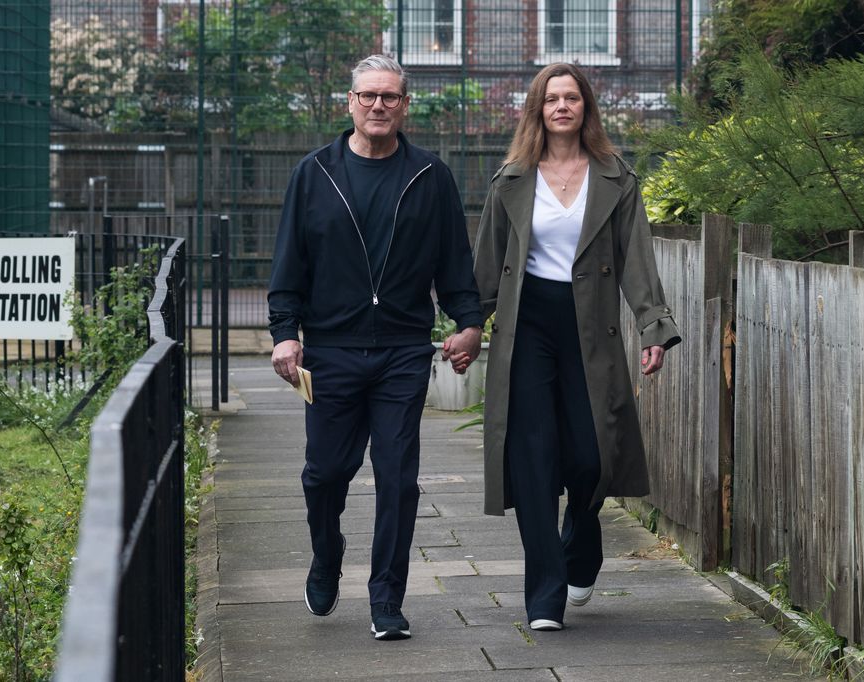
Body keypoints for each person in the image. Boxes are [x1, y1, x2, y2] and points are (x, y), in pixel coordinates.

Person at [268, 54, 483, 641]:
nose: (379, 106)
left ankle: (387, 597)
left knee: (397, 478)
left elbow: (455, 267)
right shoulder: (314, 174)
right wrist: (285, 332)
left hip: (401, 352)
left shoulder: (430, 176)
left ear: (405, 105)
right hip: (331, 352)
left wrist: (470, 323)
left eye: (390, 96)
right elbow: (289, 266)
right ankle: (327, 551)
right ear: (350, 103)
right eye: (368, 96)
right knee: (324, 474)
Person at [472, 63, 681, 632]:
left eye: (571, 98)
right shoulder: (513, 179)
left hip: (591, 330)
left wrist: (653, 327)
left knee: (592, 456)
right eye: (551, 99)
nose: (561, 106)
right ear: (537, 109)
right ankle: (544, 596)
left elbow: (637, 262)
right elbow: (487, 269)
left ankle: (581, 543)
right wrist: (470, 325)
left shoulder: (615, 177)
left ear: (586, 107)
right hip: (527, 329)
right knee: (534, 460)